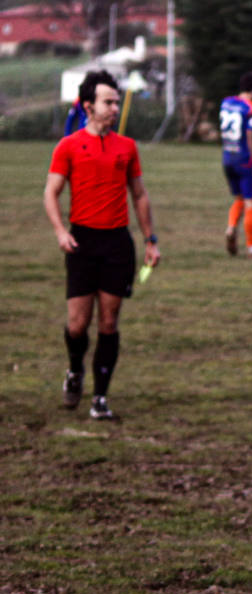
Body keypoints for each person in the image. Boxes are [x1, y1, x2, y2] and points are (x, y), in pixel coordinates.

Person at [42, 70, 160, 421]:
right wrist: (61, 232)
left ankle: (100, 399)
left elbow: (138, 194)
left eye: (116, 101)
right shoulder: (68, 145)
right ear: (88, 106)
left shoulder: (127, 147)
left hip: (116, 243)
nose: (113, 107)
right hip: (82, 241)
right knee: (78, 325)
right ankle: (75, 368)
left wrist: (150, 240)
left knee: (109, 323)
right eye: (107, 102)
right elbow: (51, 192)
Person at [220, 72, 252, 260]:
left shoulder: (226, 102)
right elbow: (250, 138)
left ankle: (231, 227)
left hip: (227, 157)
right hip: (244, 159)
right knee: (251, 202)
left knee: (239, 197)